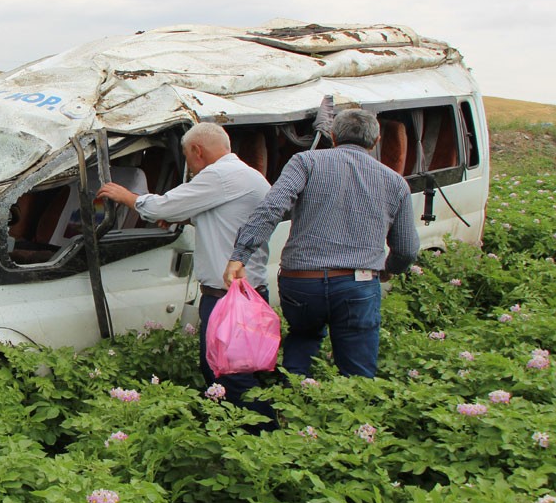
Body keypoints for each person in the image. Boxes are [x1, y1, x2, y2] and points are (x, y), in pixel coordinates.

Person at [225, 108, 420, 379]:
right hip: (358, 284)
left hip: (301, 282)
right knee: (357, 370)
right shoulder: (395, 183)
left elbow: (271, 208)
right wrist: (389, 269)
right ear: (375, 142)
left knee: (302, 338)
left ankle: (292, 394)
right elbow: (407, 250)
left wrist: (240, 254)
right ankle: (351, 403)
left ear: (333, 136)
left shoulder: (305, 162)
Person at [97, 122, 271, 414]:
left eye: (188, 158)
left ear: (197, 151)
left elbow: (162, 206)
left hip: (229, 298)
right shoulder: (248, 176)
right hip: (248, 292)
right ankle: (239, 430)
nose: (190, 166)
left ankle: (262, 431)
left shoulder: (219, 176)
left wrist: (126, 197)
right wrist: (188, 217)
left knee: (231, 376)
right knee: (230, 372)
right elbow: (228, 221)